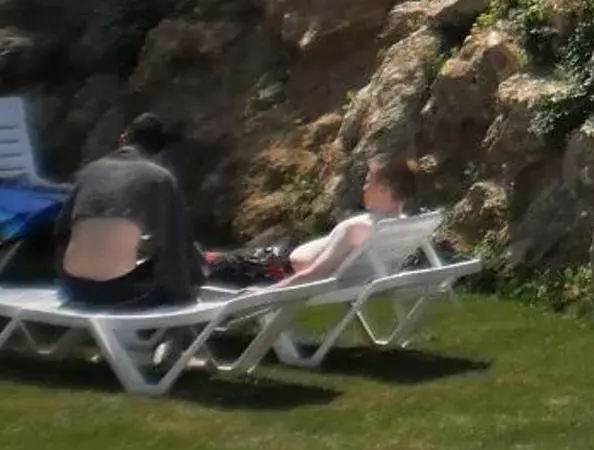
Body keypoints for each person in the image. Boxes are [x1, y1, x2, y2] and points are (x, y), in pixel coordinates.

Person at [56, 112, 203, 311]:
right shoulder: (160, 179)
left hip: (74, 289)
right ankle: (160, 338)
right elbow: (176, 245)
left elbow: (61, 233)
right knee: (161, 277)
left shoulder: (90, 171)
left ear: (124, 138)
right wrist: (186, 296)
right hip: (127, 294)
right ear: (162, 151)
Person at [205, 156, 416, 290]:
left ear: (385, 189)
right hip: (275, 260)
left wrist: (265, 293)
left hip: (269, 269)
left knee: (206, 264)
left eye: (369, 181)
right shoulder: (403, 225)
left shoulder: (355, 228)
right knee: (213, 259)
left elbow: (317, 274)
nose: (363, 188)